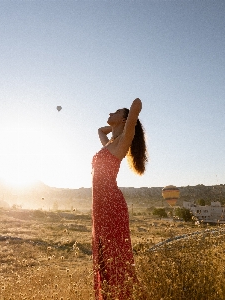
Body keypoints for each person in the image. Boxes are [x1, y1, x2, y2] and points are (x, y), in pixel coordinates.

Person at [91, 98, 148, 300]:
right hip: (99, 206)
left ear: (124, 120)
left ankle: (122, 295)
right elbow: (100, 130)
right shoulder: (110, 144)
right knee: (104, 256)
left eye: (115, 111)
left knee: (115, 255)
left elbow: (137, 104)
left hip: (112, 205)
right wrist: (114, 123)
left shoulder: (124, 141)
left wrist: (126, 120)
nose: (110, 112)